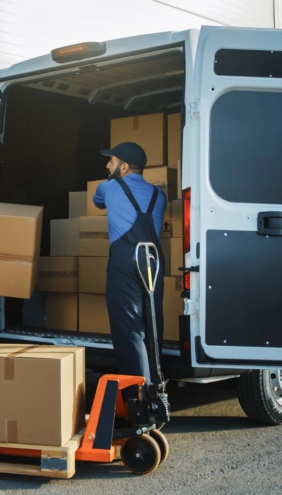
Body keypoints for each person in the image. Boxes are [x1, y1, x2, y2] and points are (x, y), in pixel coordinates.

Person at [92, 141, 166, 384]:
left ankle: (139, 396)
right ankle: (157, 388)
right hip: (153, 264)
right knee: (152, 326)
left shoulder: (109, 188)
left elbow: (97, 201)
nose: (107, 165)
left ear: (124, 167)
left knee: (129, 330)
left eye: (111, 161)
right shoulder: (159, 195)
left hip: (126, 263)